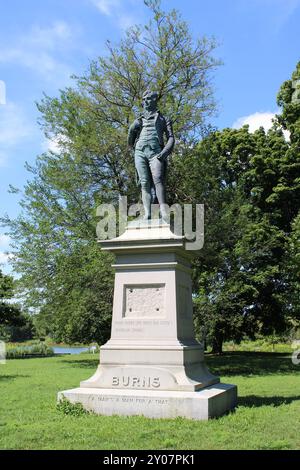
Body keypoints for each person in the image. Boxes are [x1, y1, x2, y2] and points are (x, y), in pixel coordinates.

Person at [128, 90, 175, 220]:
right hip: (140, 151)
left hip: (156, 152)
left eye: (149, 99)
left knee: (158, 179)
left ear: (155, 100)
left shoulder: (163, 119)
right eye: (144, 99)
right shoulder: (138, 120)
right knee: (144, 182)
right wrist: (132, 127)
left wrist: (164, 153)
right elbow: (130, 139)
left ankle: (163, 211)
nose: (146, 101)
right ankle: (147, 213)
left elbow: (171, 138)